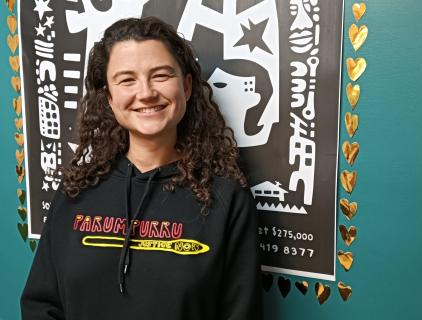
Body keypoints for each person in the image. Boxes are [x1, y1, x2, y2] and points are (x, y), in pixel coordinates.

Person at [21, 17, 261, 320]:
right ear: (109, 98)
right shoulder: (76, 191)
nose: (146, 92)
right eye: (126, 80)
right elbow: (40, 304)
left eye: (160, 75)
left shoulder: (226, 198)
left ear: (186, 87)